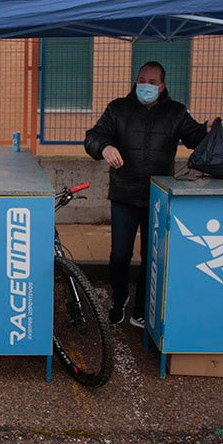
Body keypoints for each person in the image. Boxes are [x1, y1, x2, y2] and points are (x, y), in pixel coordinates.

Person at [84, 61, 210, 328]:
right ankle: (119, 300)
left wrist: (208, 131)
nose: (146, 86)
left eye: (152, 82)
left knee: (150, 256)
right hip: (124, 195)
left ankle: (141, 309)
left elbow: (194, 137)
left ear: (162, 86)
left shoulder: (176, 112)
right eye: (142, 80)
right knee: (120, 254)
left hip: (157, 196)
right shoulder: (118, 108)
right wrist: (104, 146)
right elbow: (93, 136)